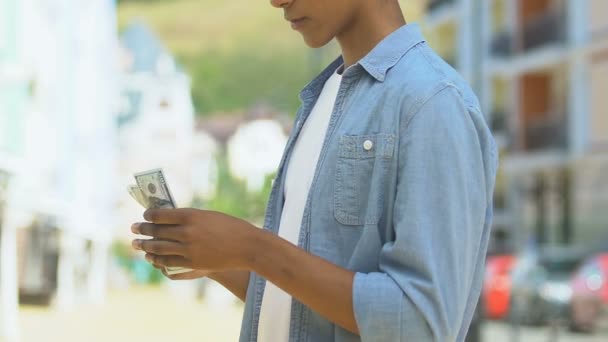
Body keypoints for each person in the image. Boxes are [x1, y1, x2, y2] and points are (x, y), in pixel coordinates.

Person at [130, 0, 498, 341]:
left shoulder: (433, 103)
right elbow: (304, 307)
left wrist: (252, 247)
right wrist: (218, 259)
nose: (276, 0)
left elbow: (421, 322)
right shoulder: (324, 98)